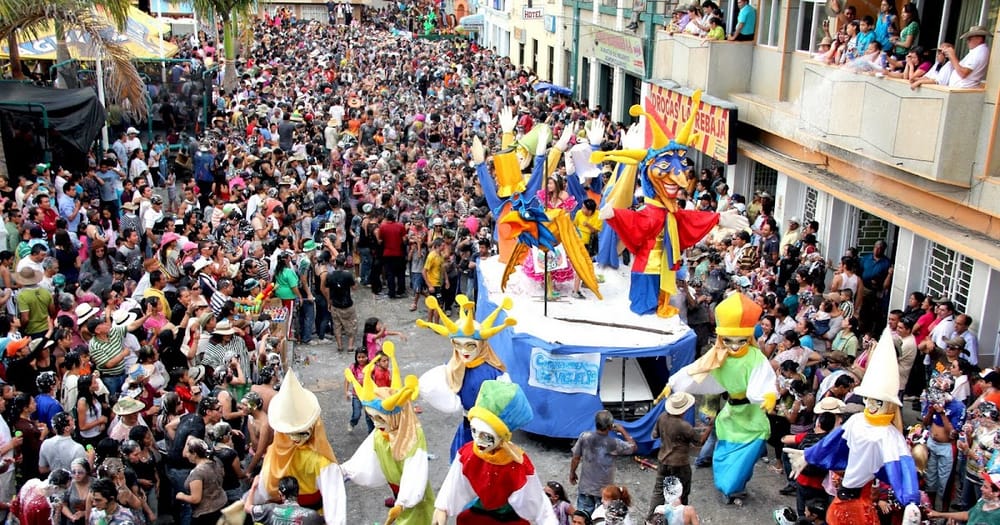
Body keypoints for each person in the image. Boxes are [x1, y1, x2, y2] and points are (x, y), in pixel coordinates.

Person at [431, 380, 556, 524]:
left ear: (501, 435)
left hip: (510, 517)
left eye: (486, 436)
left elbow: (536, 501)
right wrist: (442, 508)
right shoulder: (469, 454)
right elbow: (455, 482)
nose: (478, 440)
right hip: (478, 514)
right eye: (474, 431)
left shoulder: (517, 464)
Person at [342, 342, 435, 524]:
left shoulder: (412, 437)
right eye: (374, 419)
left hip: (412, 500)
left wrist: (403, 502)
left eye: (381, 419)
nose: (377, 424)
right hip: (397, 492)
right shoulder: (381, 432)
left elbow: (414, 472)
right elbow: (368, 453)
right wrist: (345, 471)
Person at [417, 295, 516, 460]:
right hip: (467, 428)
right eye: (457, 345)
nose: (464, 351)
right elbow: (435, 390)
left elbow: (509, 404)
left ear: (481, 344)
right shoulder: (454, 366)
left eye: (470, 345)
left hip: (489, 434)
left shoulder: (495, 373)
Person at [569, 410, 637, 516]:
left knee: (582, 517)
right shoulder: (614, 443)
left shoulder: (585, 437)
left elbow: (576, 458)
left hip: (586, 488)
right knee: (603, 518)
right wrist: (623, 431)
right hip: (605, 491)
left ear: (596, 424)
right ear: (610, 427)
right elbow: (633, 447)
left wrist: (572, 473)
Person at [647, 392, 700, 520]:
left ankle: (651, 519)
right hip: (680, 464)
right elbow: (699, 442)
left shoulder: (662, 417)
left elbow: (654, 435)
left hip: (663, 460)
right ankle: (680, 519)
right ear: (684, 409)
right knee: (682, 492)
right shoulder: (685, 426)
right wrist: (710, 427)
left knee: (659, 491)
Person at [175, 437, 227, 525]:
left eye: (187, 452)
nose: (186, 455)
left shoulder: (198, 473)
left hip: (206, 515)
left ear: (194, 454)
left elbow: (196, 499)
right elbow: (223, 474)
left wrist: (181, 496)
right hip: (221, 506)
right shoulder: (216, 461)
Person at [245, 476, 323, 525]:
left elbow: (247, 507)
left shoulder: (269, 509)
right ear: (297, 492)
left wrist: (253, 488)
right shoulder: (312, 515)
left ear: (280, 494)